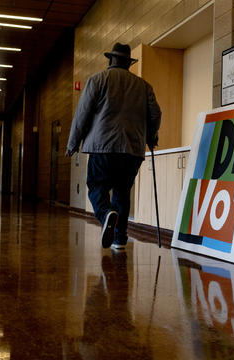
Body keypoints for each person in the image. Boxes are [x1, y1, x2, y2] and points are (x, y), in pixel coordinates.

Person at [66, 42, 161, 250]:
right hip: (132, 149)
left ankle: (105, 213)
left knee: (97, 186)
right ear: (128, 63)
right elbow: (155, 114)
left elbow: (82, 114)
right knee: (122, 191)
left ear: (111, 59)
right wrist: (151, 137)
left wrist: (73, 143)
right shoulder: (144, 86)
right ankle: (120, 239)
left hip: (102, 147)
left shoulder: (97, 80)